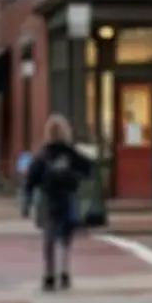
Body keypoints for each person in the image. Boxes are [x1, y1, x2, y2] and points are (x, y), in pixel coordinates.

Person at [26, 116, 94, 292]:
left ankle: (49, 275)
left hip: (48, 199)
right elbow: (88, 168)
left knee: (49, 238)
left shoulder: (43, 153)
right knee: (65, 238)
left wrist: (27, 200)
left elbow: (31, 178)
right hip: (67, 198)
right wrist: (76, 180)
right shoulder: (70, 152)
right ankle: (64, 272)